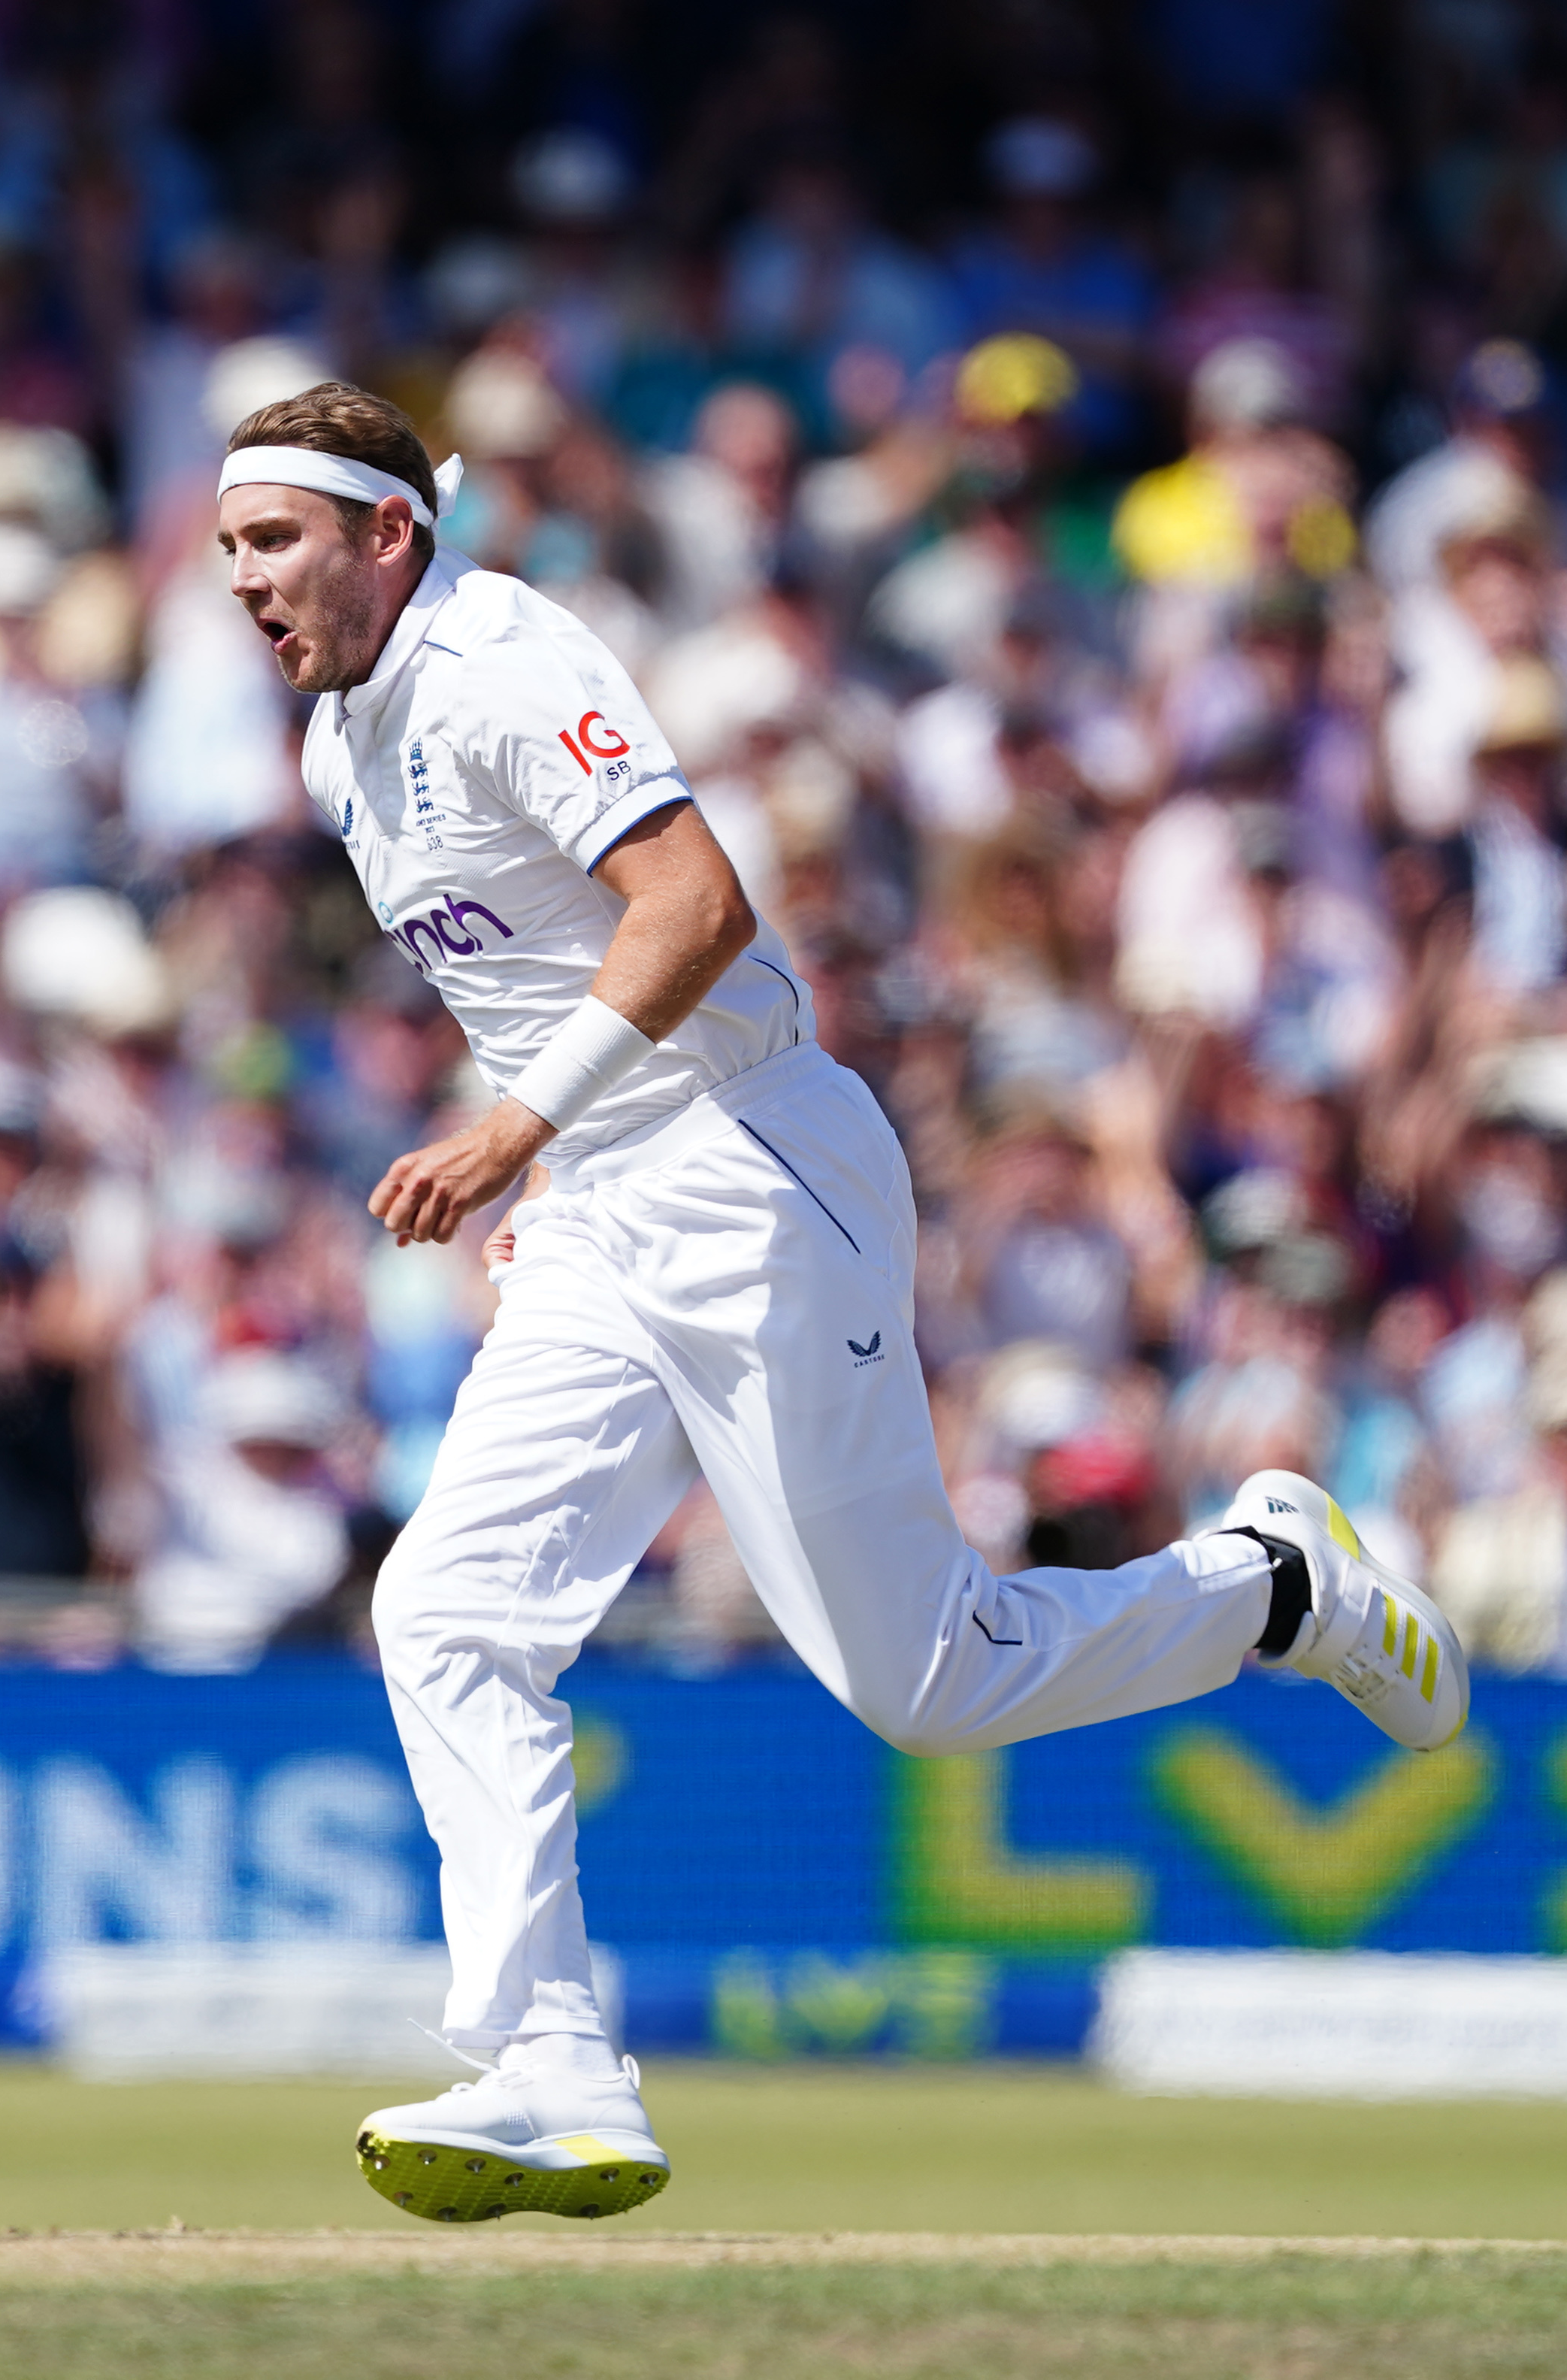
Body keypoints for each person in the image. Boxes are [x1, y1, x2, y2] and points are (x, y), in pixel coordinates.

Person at [211, 382, 1472, 2225]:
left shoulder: (497, 656)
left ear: (385, 532)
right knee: (447, 1607)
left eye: (274, 540)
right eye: (229, 545)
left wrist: (510, 1129)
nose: (242, 579)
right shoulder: (339, 742)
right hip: (602, 1207)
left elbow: (697, 905)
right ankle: (549, 2066)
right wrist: (549, 1171)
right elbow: (537, 977)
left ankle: (1275, 1586)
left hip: (744, 1165)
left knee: (925, 1684)